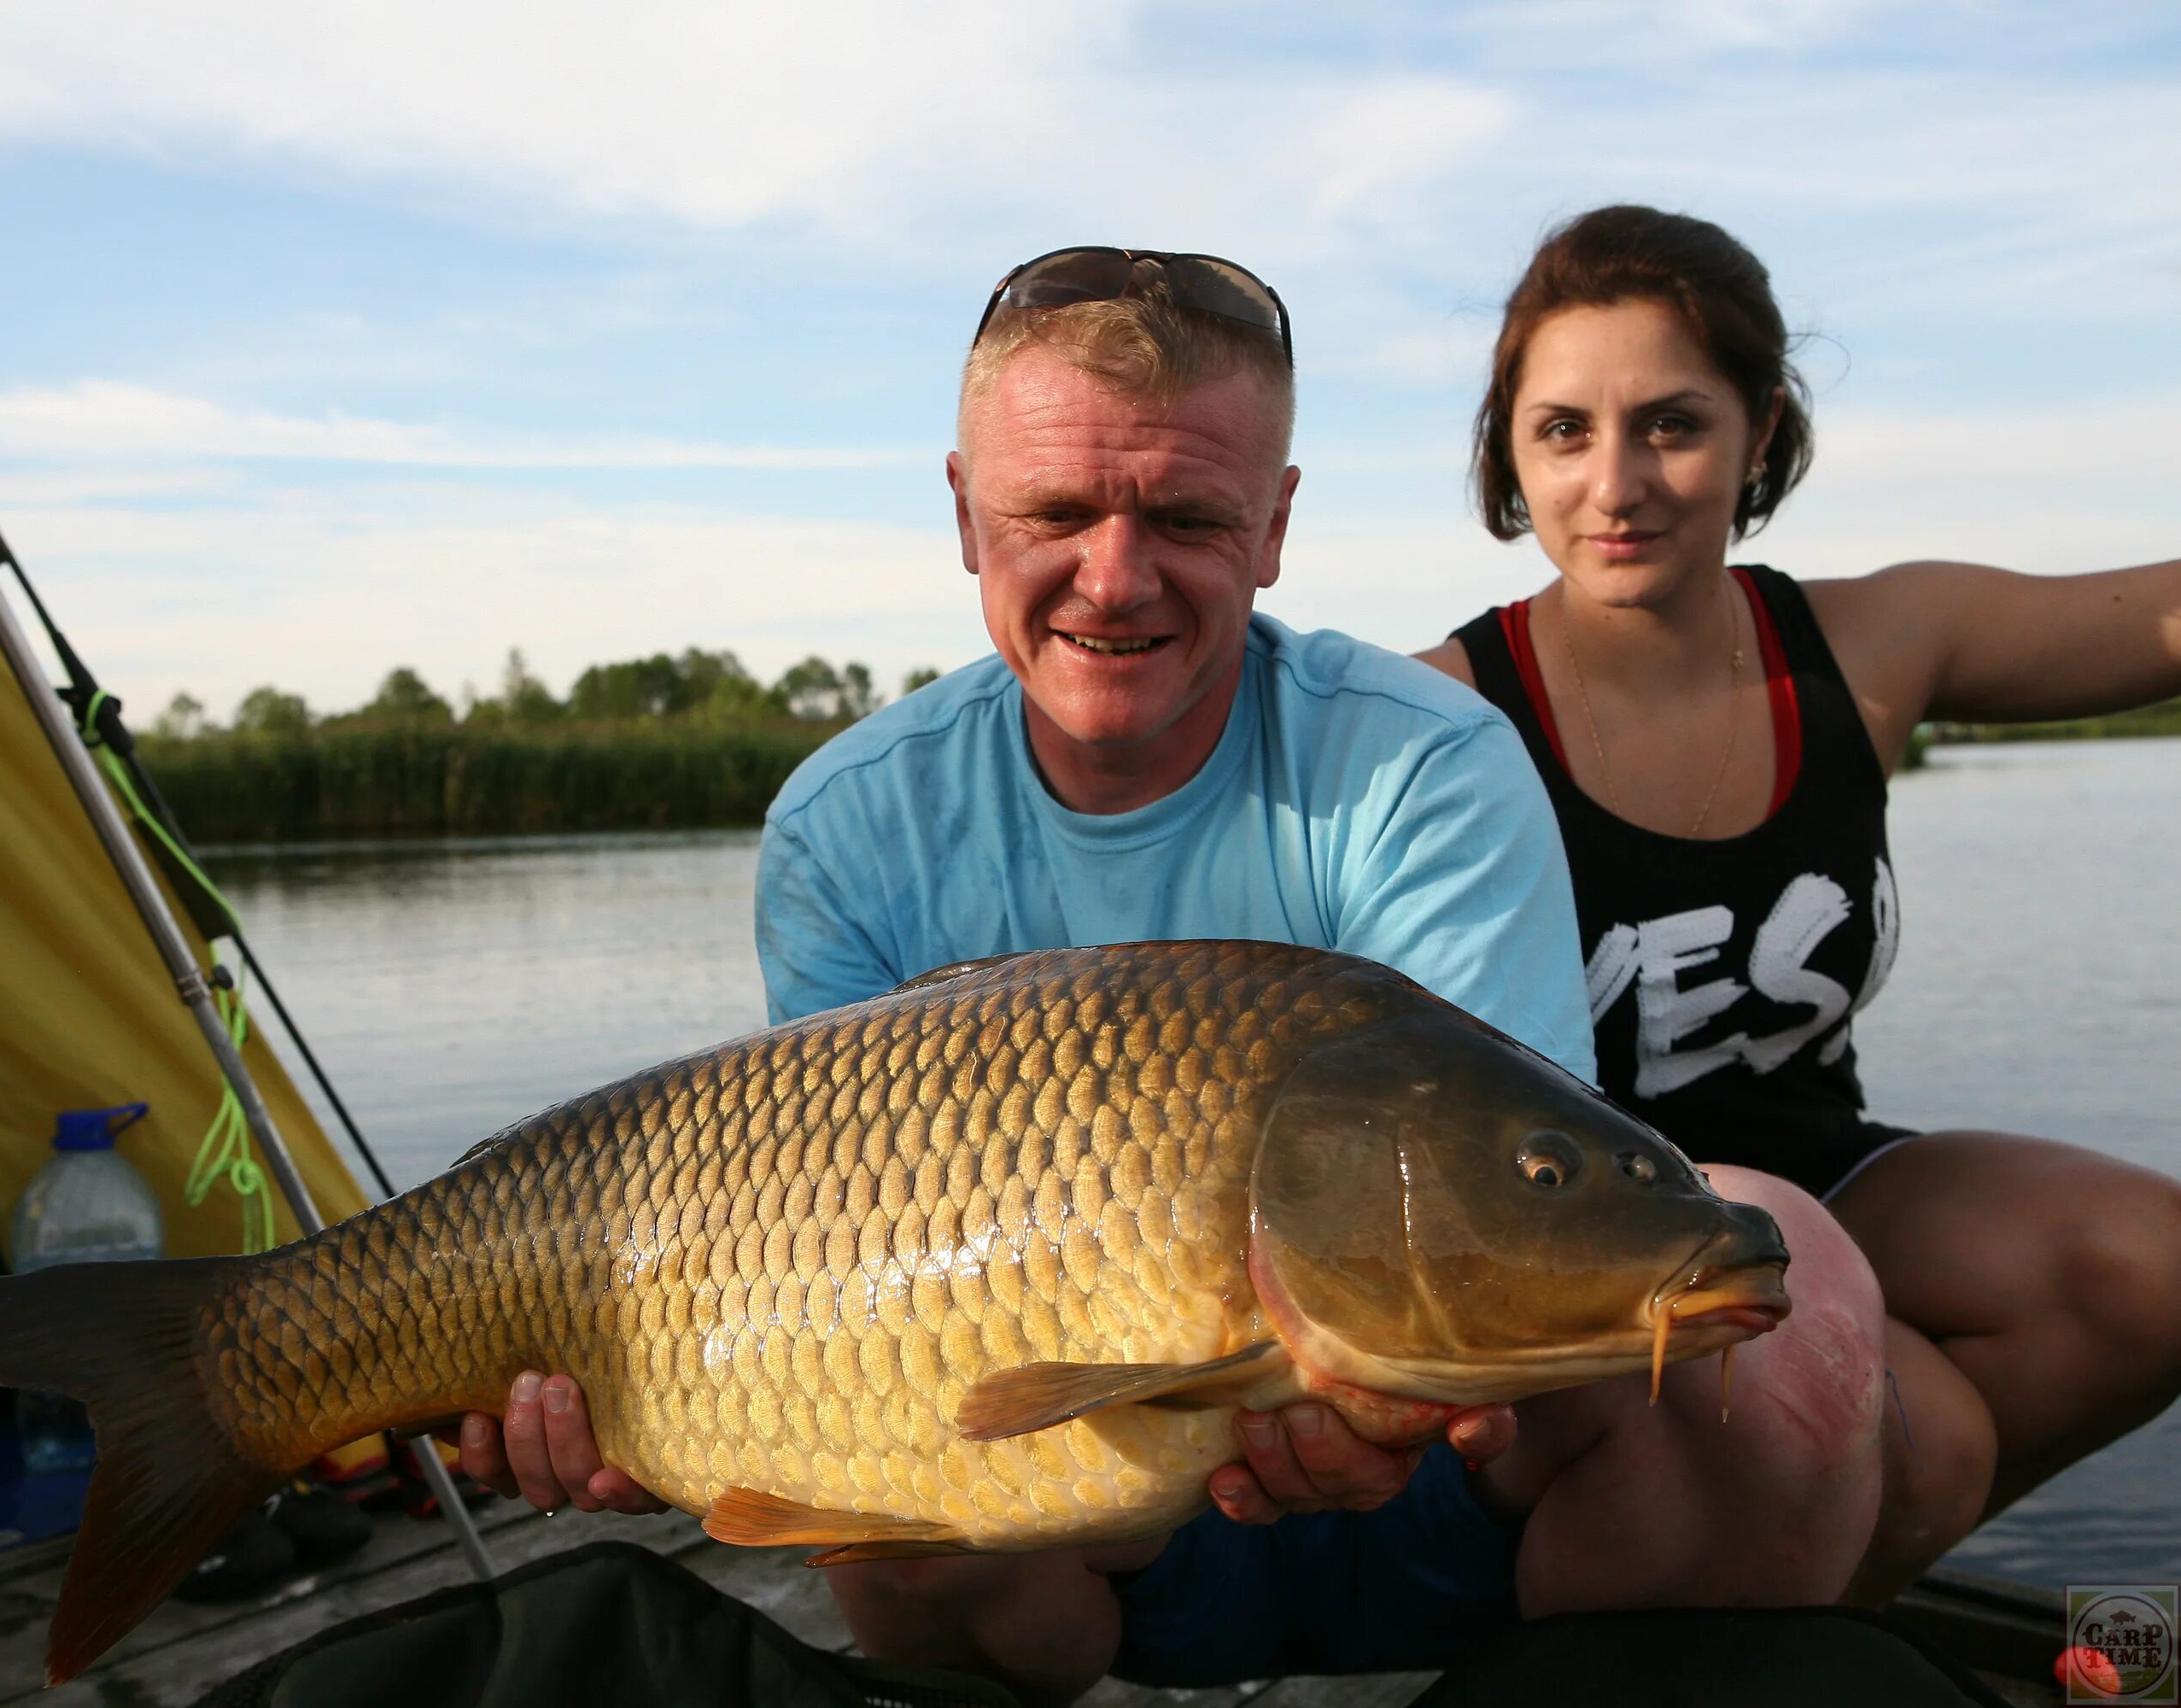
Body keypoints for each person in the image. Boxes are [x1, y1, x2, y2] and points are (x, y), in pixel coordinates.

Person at [462, 247, 1889, 1705]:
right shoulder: (850, 822)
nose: (1116, 575)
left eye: (1189, 517)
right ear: (966, 512)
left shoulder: (1426, 766)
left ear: (1272, 527)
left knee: (1801, 1288)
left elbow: (1504, 1202)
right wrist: (662, 1418)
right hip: (1079, 1538)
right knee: (878, 1488)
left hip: (1471, 1488)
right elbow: (831, 1262)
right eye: (1055, 513)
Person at [1416, 204, 2181, 1603]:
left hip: (1822, 1173)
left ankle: (1781, 1595)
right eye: (1565, 431)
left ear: (1761, 431)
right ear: (1511, 451)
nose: (1617, 483)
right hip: (1579, 1235)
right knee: (1928, 1437)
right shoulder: (1444, 717)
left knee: (2150, 1270)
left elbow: (2161, 618)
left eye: (1673, 423)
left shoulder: (1864, 648)